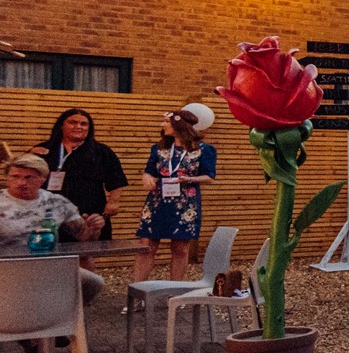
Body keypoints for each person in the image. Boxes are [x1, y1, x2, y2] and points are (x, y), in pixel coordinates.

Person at [1, 154, 107, 303]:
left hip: (49, 266)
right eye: (15, 177)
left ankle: (66, 316)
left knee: (94, 283)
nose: (21, 182)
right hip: (7, 268)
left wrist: (93, 228)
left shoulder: (57, 202)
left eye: (28, 178)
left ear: (43, 178)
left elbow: (85, 238)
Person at [131, 105, 217, 283]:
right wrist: (146, 178)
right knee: (146, 245)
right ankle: (136, 291)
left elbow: (209, 176)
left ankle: (175, 289)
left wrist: (188, 179)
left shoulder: (204, 150)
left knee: (180, 248)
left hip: (185, 204)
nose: (163, 125)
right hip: (156, 202)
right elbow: (149, 171)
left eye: (166, 122)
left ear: (179, 126)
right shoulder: (158, 148)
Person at [30, 107, 128, 241]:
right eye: (73, 122)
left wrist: (114, 202)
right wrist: (30, 155)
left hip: (88, 209)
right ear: (61, 125)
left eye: (83, 124)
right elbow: (25, 174)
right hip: (50, 210)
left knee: (85, 253)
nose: (78, 127)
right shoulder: (43, 149)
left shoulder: (101, 152)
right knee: (49, 248)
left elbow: (116, 180)